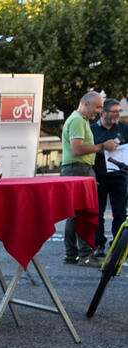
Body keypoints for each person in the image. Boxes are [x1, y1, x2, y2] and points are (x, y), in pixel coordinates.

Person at [62, 91, 118, 266]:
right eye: (98, 106)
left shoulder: (78, 119)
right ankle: (85, 255)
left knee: (74, 214)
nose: (100, 111)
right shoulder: (78, 120)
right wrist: (103, 146)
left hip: (76, 169)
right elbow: (77, 149)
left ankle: (72, 254)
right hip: (79, 169)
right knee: (85, 213)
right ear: (86, 104)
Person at [90, 98, 128, 257]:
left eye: (119, 111)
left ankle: (118, 245)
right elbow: (87, 150)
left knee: (119, 212)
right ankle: (98, 244)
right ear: (103, 112)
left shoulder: (124, 128)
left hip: (119, 176)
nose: (117, 114)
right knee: (97, 213)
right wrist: (103, 147)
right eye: (114, 111)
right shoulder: (92, 130)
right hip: (99, 177)